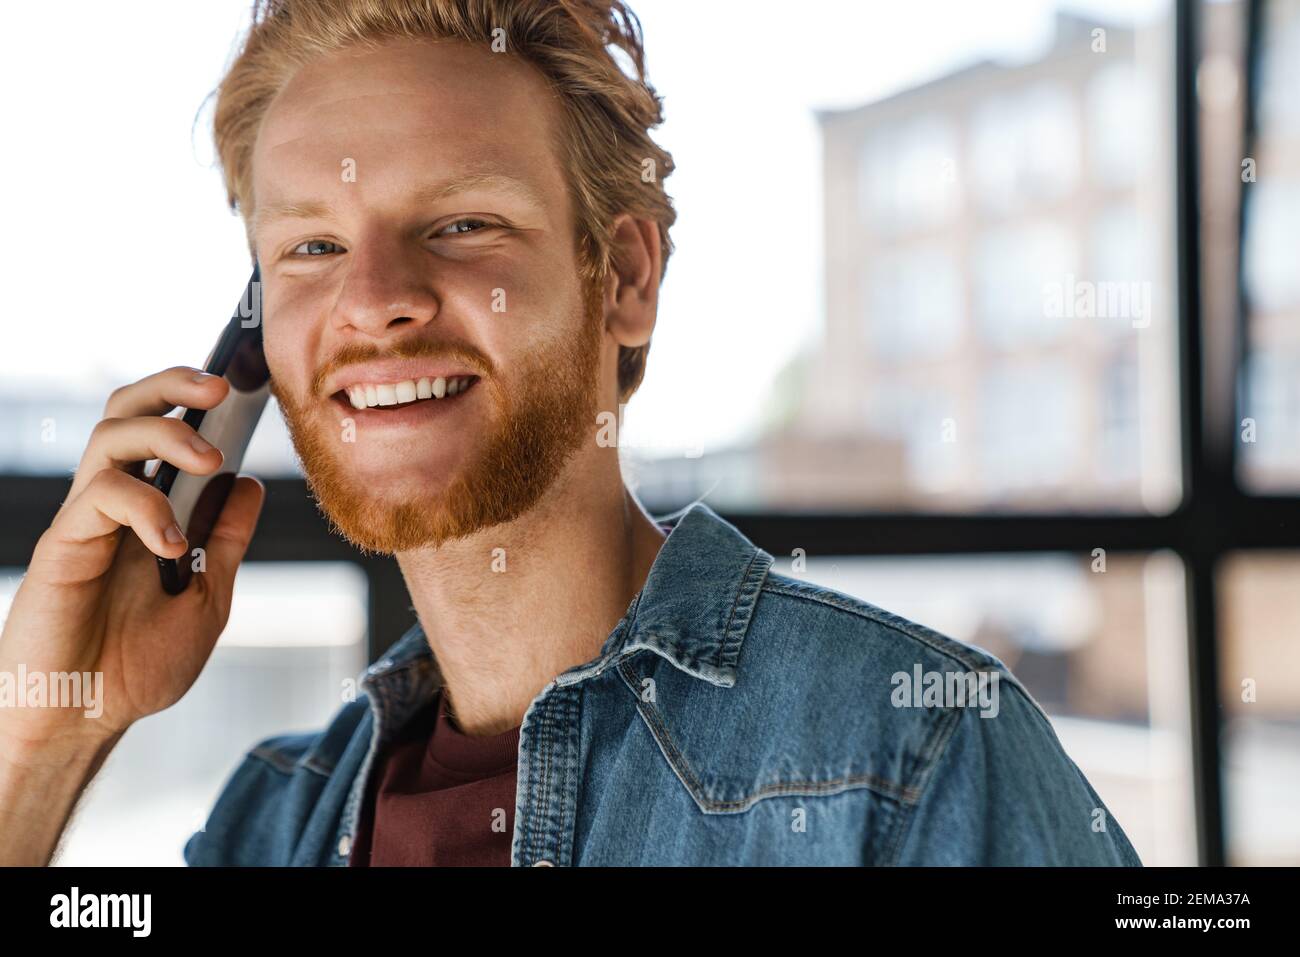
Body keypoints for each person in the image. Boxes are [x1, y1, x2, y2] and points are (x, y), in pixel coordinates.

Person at [0, 0, 1141, 867]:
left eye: (462, 222)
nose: (374, 298)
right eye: (310, 248)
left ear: (625, 278)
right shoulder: (269, 823)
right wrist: (50, 736)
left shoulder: (907, 759)